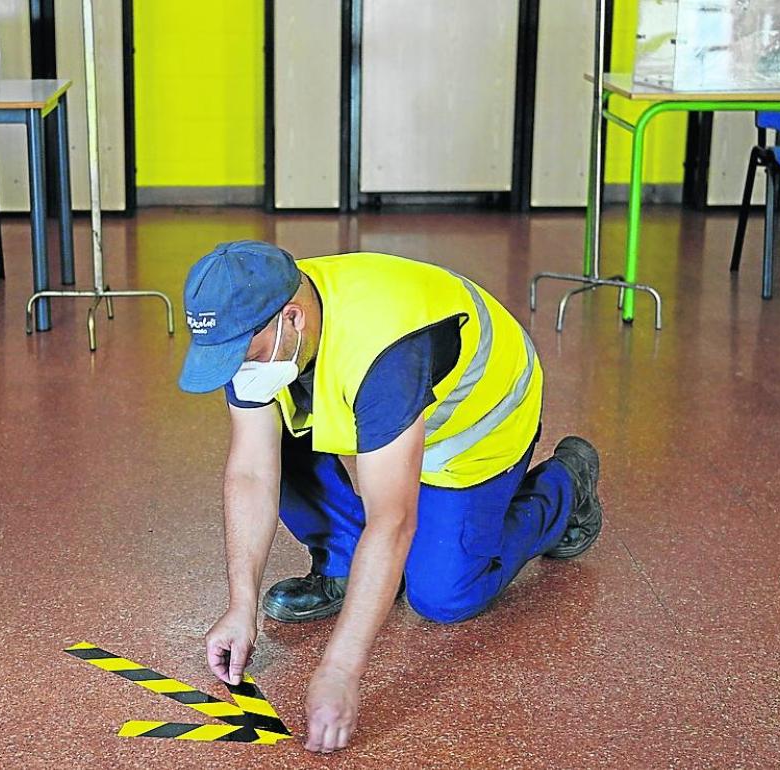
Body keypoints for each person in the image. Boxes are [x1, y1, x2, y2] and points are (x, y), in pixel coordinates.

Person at [178, 241, 603, 753]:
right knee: (275, 447)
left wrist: (340, 669)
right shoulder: (253, 318)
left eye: (239, 353)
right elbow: (250, 471)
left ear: (290, 319)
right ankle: (341, 563)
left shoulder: (385, 351)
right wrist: (239, 607)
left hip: (471, 426)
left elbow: (394, 519)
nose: (234, 369)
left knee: (443, 595)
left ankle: (564, 487)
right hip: (375, 412)